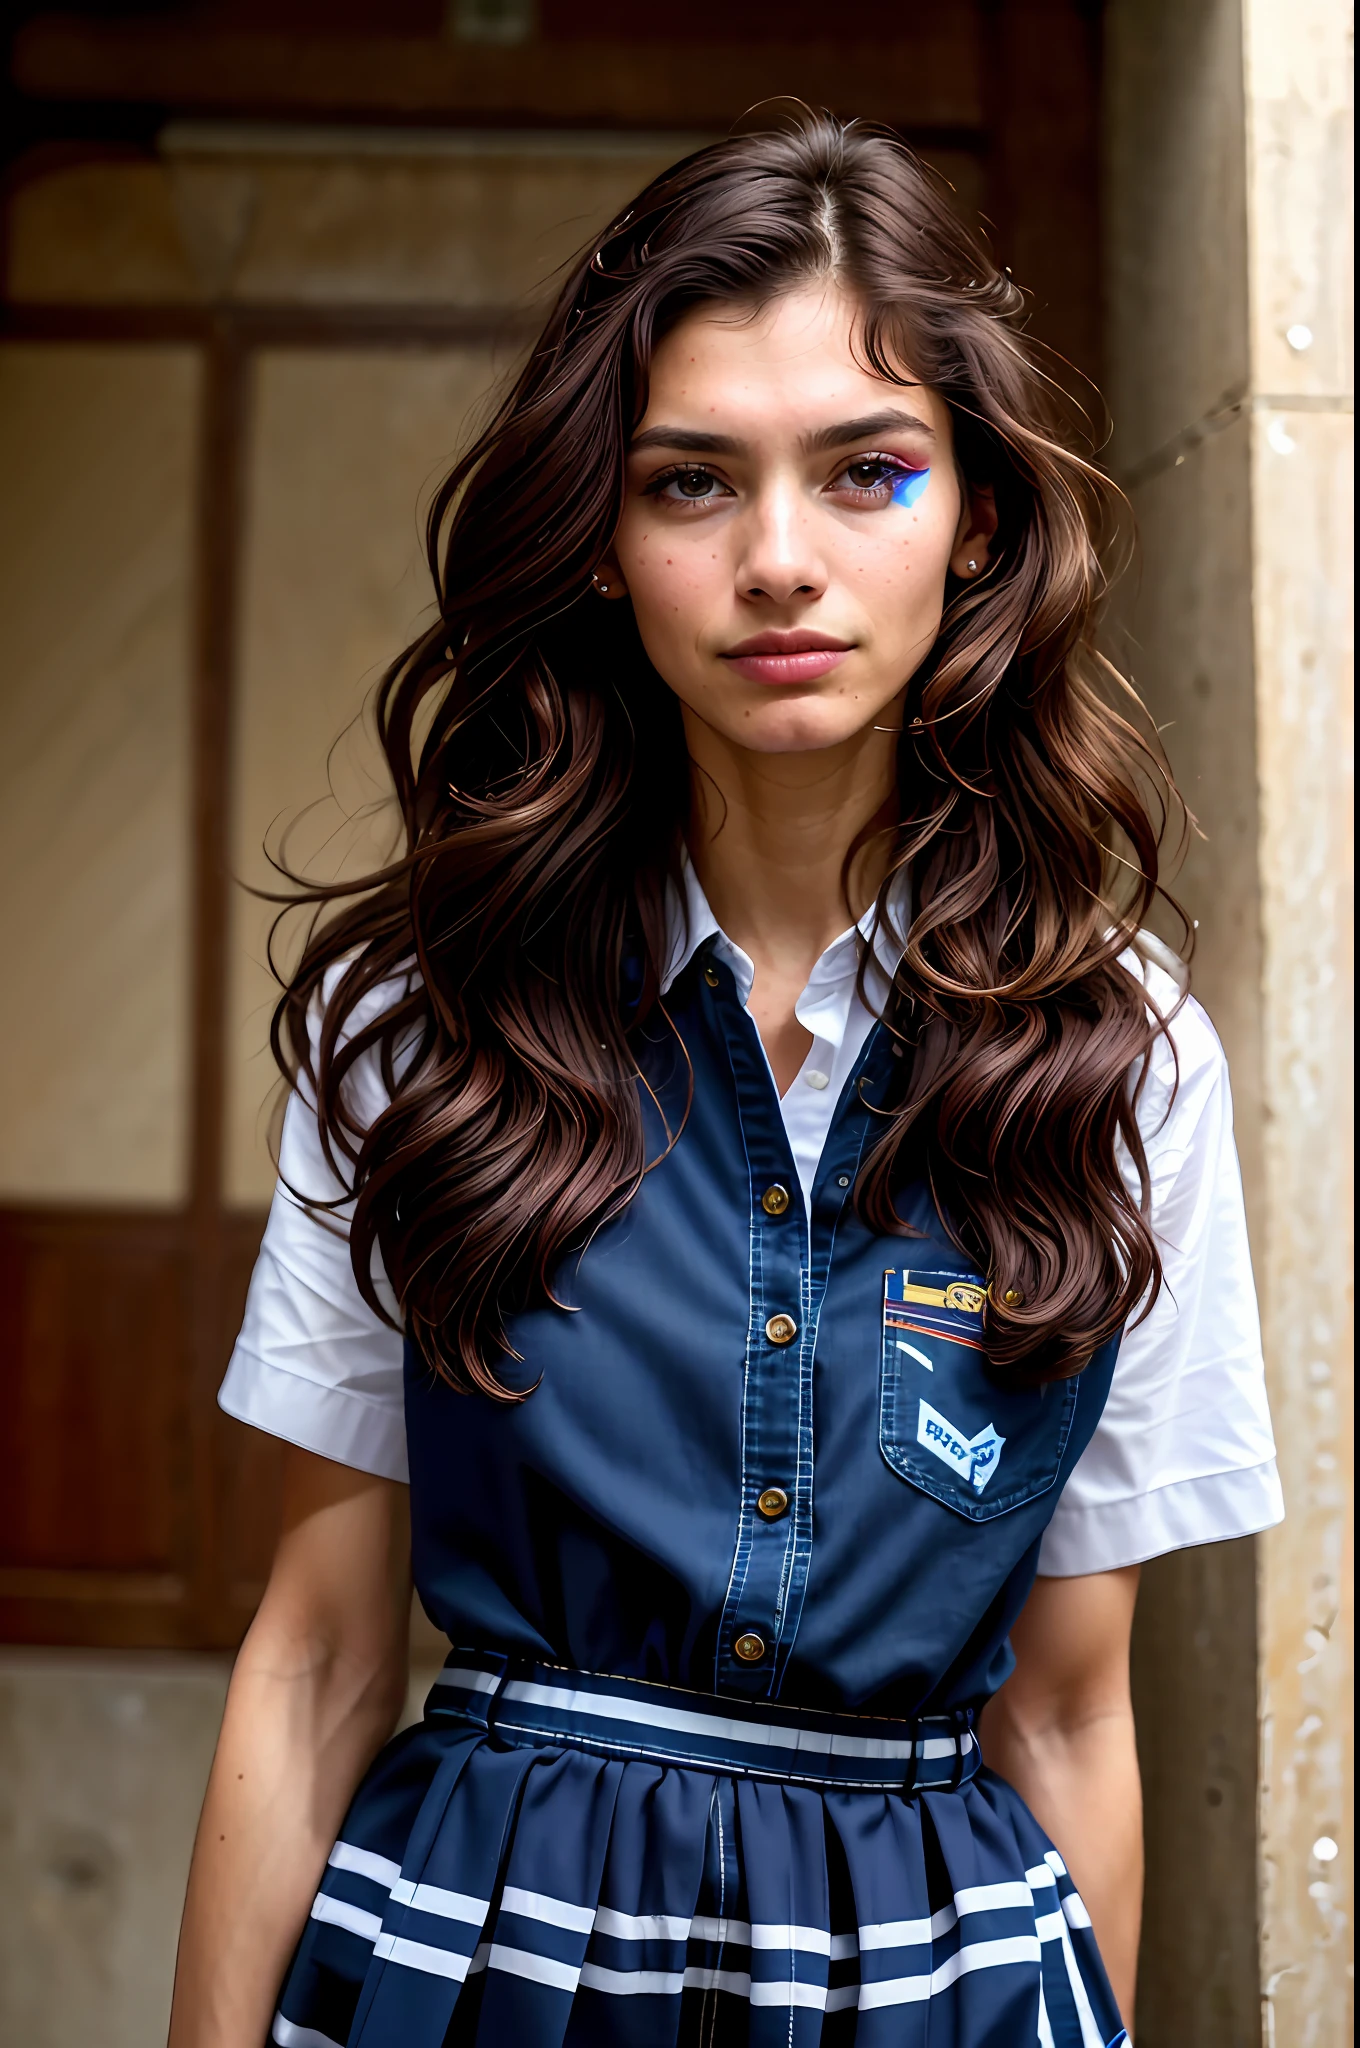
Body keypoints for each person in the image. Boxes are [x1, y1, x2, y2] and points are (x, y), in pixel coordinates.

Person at [168, 111, 1282, 2048]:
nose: (778, 562)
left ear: (978, 521)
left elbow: (1067, 1707)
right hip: (473, 1966)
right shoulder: (418, 1020)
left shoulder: (1123, 1065)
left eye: (866, 472)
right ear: (600, 540)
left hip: (930, 1990)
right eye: (691, 482)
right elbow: (320, 1657)